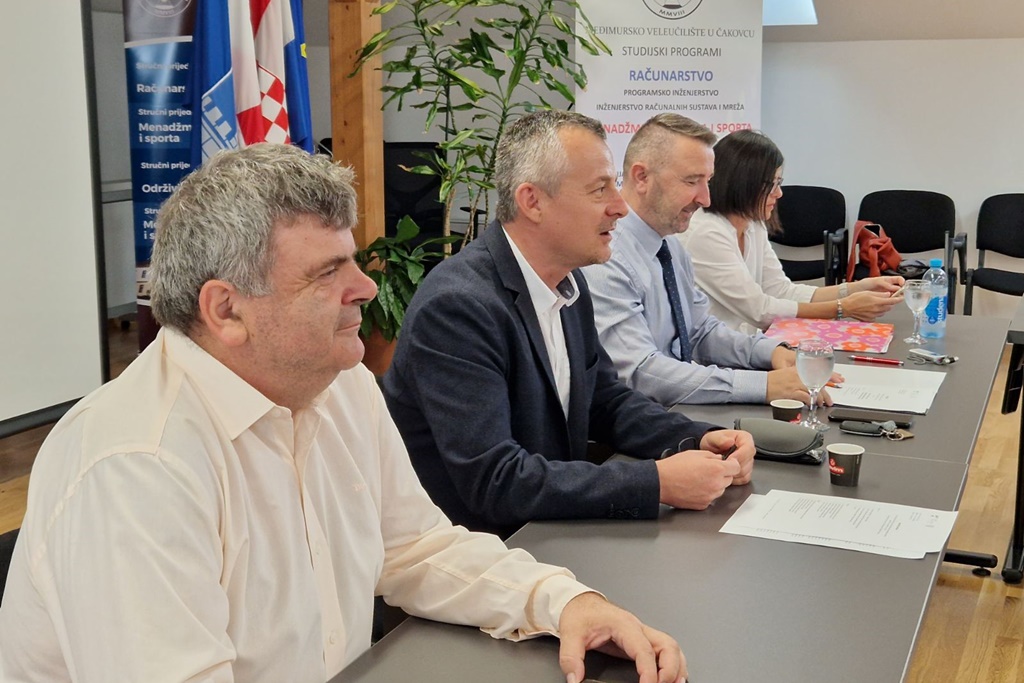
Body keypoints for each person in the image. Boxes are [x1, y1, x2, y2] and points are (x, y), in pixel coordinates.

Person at [0, 144, 687, 683]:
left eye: (353, 261)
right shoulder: (136, 465)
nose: (365, 287)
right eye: (327, 273)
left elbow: (415, 548)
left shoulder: (341, 385)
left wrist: (564, 602)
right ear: (226, 309)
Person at [383, 110, 755, 539]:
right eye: (600, 189)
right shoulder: (457, 308)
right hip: (484, 549)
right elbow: (495, 480)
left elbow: (604, 401)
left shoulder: (568, 281)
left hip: (548, 532)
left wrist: (698, 437)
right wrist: (656, 482)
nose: (619, 207)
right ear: (532, 202)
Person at [583, 113, 819, 407]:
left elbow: (699, 331)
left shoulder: (670, 245)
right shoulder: (608, 256)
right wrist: (762, 385)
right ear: (641, 177)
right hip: (637, 420)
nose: (706, 199)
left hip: (672, 410)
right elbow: (641, 371)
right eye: (692, 181)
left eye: (708, 181)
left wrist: (771, 352)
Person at [678, 129, 903, 335]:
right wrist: (843, 308)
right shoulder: (705, 233)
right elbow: (760, 311)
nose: (779, 193)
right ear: (742, 183)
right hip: (713, 356)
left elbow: (781, 290)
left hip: (745, 345)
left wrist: (856, 288)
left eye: (779, 182)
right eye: (772, 184)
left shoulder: (753, 224)